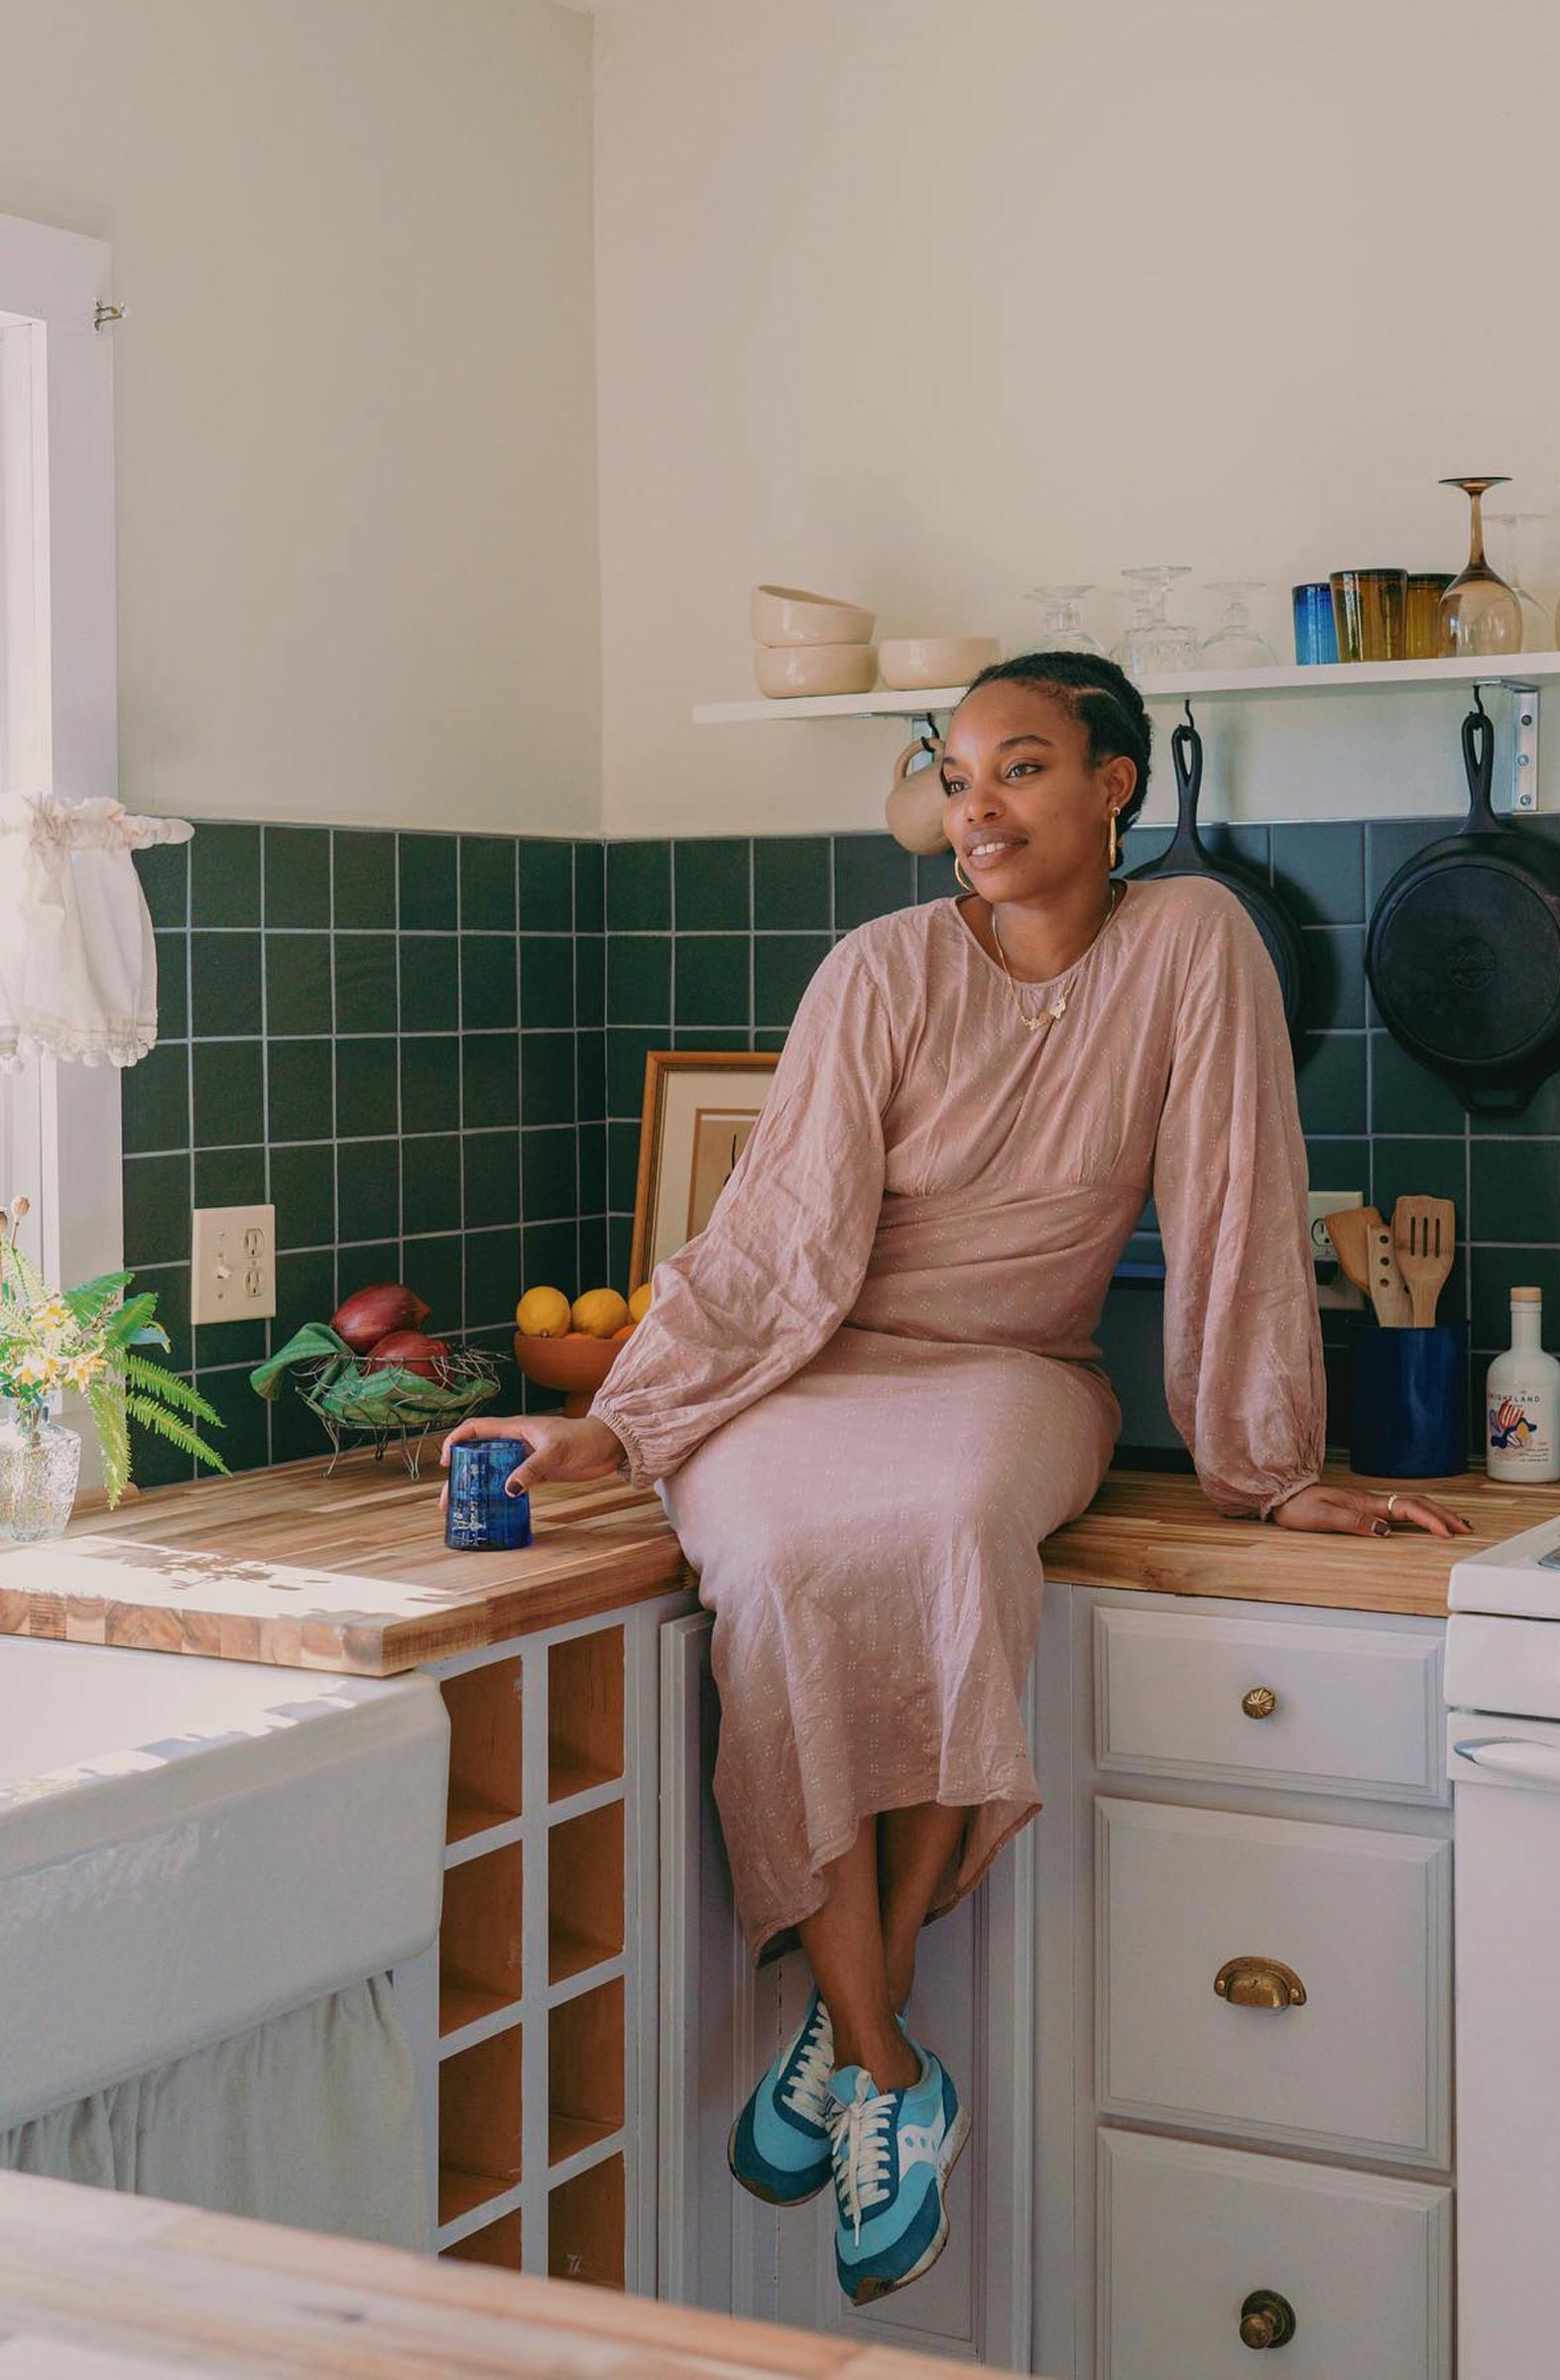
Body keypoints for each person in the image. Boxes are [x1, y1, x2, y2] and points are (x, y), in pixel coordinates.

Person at [442, 651, 1470, 2305]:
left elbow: (1237, 1202)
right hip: (807, 1379)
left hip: (1014, 1381)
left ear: (1114, 784)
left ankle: (852, 2029)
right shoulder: (882, 968)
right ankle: (885, 2057)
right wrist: (627, 1425)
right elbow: (777, 1233)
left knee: (940, 1537)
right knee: (771, 1570)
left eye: (1023, 771)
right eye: (957, 774)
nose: (975, 808)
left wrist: (1272, 1470)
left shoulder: (1196, 945)